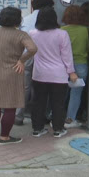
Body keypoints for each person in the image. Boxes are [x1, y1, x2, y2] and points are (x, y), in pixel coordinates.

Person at [0, 7, 37, 145]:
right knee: (10, 106)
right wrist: (21, 60)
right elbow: (33, 48)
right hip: (13, 73)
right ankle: (5, 137)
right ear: (18, 19)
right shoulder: (21, 35)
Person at [29, 7, 78, 138]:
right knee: (58, 103)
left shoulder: (32, 33)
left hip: (39, 74)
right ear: (54, 18)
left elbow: (28, 52)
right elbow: (67, 55)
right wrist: (71, 72)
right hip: (58, 75)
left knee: (38, 102)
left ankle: (37, 129)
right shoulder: (62, 34)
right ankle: (58, 129)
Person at [15, 0, 55, 126]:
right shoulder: (49, 21)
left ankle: (18, 116)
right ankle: (40, 116)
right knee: (41, 88)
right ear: (48, 7)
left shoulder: (24, 20)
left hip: (25, 56)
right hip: (43, 57)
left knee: (24, 87)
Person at [61, 6, 89, 129]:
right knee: (76, 93)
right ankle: (70, 118)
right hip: (81, 64)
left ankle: (54, 115)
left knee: (61, 92)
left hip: (64, 65)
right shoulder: (86, 30)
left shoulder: (61, 30)